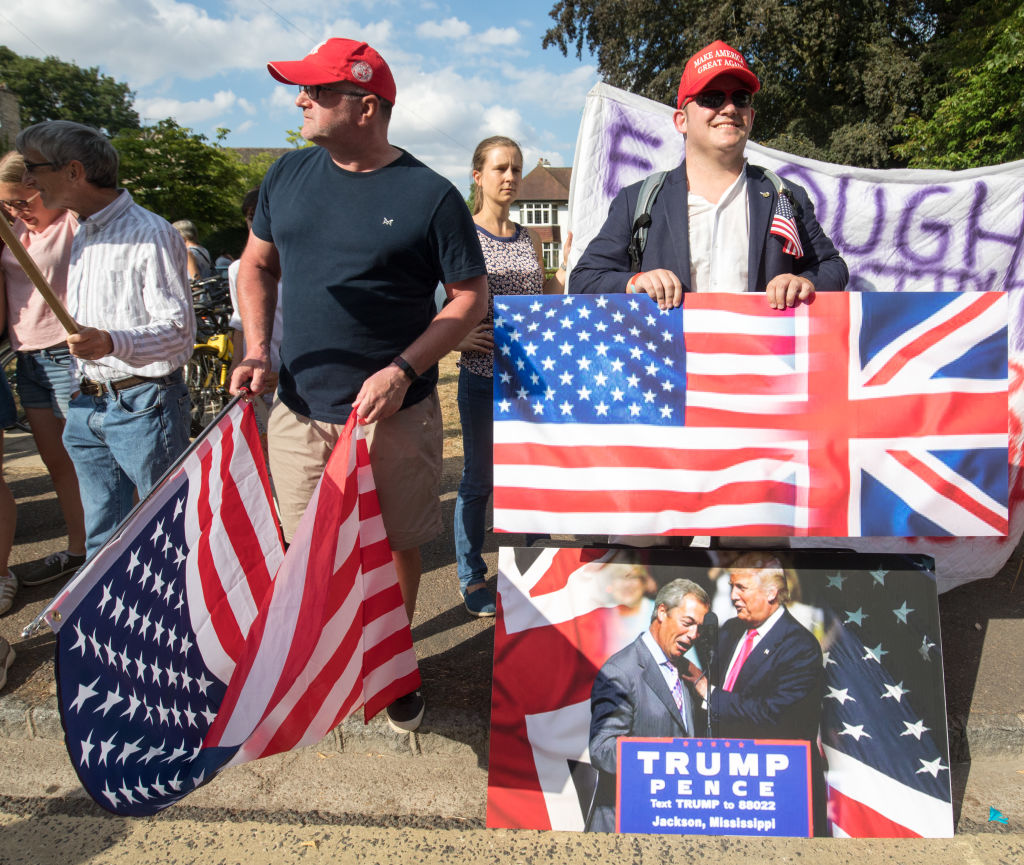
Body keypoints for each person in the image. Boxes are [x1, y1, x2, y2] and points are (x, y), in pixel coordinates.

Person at [229, 38, 488, 733]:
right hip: (298, 409)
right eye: (301, 89)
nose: (300, 100)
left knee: (396, 541)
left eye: (314, 90)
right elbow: (256, 265)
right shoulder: (286, 177)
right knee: (304, 541)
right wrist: (258, 347)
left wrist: (403, 369)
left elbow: (469, 297)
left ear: (366, 105)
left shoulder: (429, 195)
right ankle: (319, 654)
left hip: (394, 415)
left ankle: (390, 660)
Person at [17, 121, 195, 558]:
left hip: (143, 405)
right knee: (102, 539)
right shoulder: (82, 230)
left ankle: (174, 624)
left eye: (33, 168)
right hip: (88, 401)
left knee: (164, 535)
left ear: (73, 171)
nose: (28, 181)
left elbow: (178, 332)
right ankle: (106, 625)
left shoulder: (150, 232)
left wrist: (110, 342)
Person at [571, 40, 848, 308]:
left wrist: (803, 282)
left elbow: (832, 267)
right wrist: (636, 282)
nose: (729, 108)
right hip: (672, 354)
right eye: (711, 98)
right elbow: (583, 279)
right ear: (682, 120)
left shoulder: (785, 196)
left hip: (761, 355)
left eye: (740, 98)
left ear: (751, 116)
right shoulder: (637, 200)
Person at [453, 136, 569, 617]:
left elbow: (542, 295)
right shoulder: (462, 235)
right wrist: (455, 339)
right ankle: (470, 574)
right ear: (478, 176)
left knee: (530, 471)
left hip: (527, 380)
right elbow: (437, 302)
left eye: (516, 169)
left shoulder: (530, 237)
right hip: (481, 377)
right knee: (479, 478)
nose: (511, 177)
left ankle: (533, 559)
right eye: (501, 168)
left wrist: (562, 274)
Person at [683, 552, 826, 833]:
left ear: (772, 592)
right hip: (724, 782)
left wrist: (705, 689)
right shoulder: (730, 631)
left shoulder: (801, 647)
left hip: (776, 791)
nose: (734, 595)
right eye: (732, 586)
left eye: (742, 588)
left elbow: (771, 714)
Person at [0, 151, 87, 600]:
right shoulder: (12, 228)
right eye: (9, 205)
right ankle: (77, 550)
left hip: (66, 353)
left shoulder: (71, 222)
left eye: (23, 200)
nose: (19, 211)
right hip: (27, 357)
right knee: (57, 464)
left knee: (91, 458)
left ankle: (103, 549)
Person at [587, 578, 710, 832]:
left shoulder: (683, 669)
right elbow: (602, 748)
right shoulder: (621, 671)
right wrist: (663, 759)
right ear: (662, 612)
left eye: (699, 628)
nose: (694, 635)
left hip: (667, 823)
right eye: (687, 623)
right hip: (624, 824)